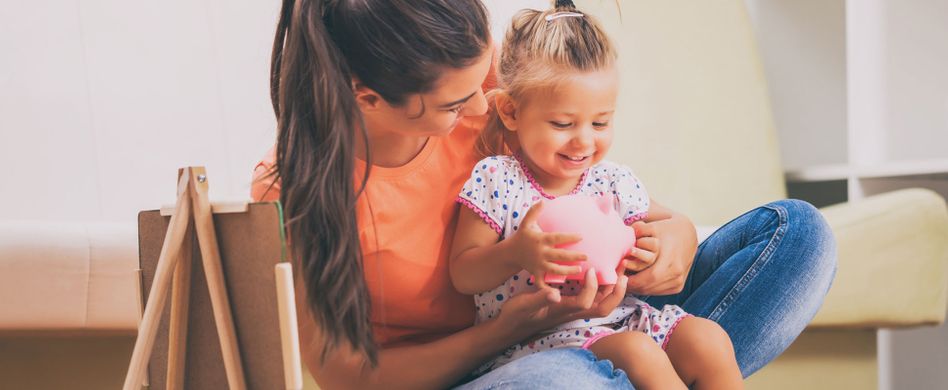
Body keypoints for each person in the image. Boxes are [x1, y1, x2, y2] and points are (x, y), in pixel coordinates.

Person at [251, 0, 837, 388]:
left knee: (798, 235)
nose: (487, 110)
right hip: (483, 370)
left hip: (593, 317)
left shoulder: (478, 86)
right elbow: (348, 376)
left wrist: (673, 242)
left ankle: (647, 369)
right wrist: (506, 331)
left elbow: (626, 204)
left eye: (486, 81)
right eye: (457, 105)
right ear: (367, 97)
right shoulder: (297, 189)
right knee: (565, 380)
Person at [448, 3, 742, 389]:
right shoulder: (497, 180)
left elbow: (656, 232)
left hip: (620, 317)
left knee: (709, 339)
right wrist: (516, 252)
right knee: (639, 353)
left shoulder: (612, 181)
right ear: (511, 111)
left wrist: (647, 253)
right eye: (562, 124)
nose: (584, 140)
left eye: (601, 122)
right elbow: (463, 273)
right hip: (535, 342)